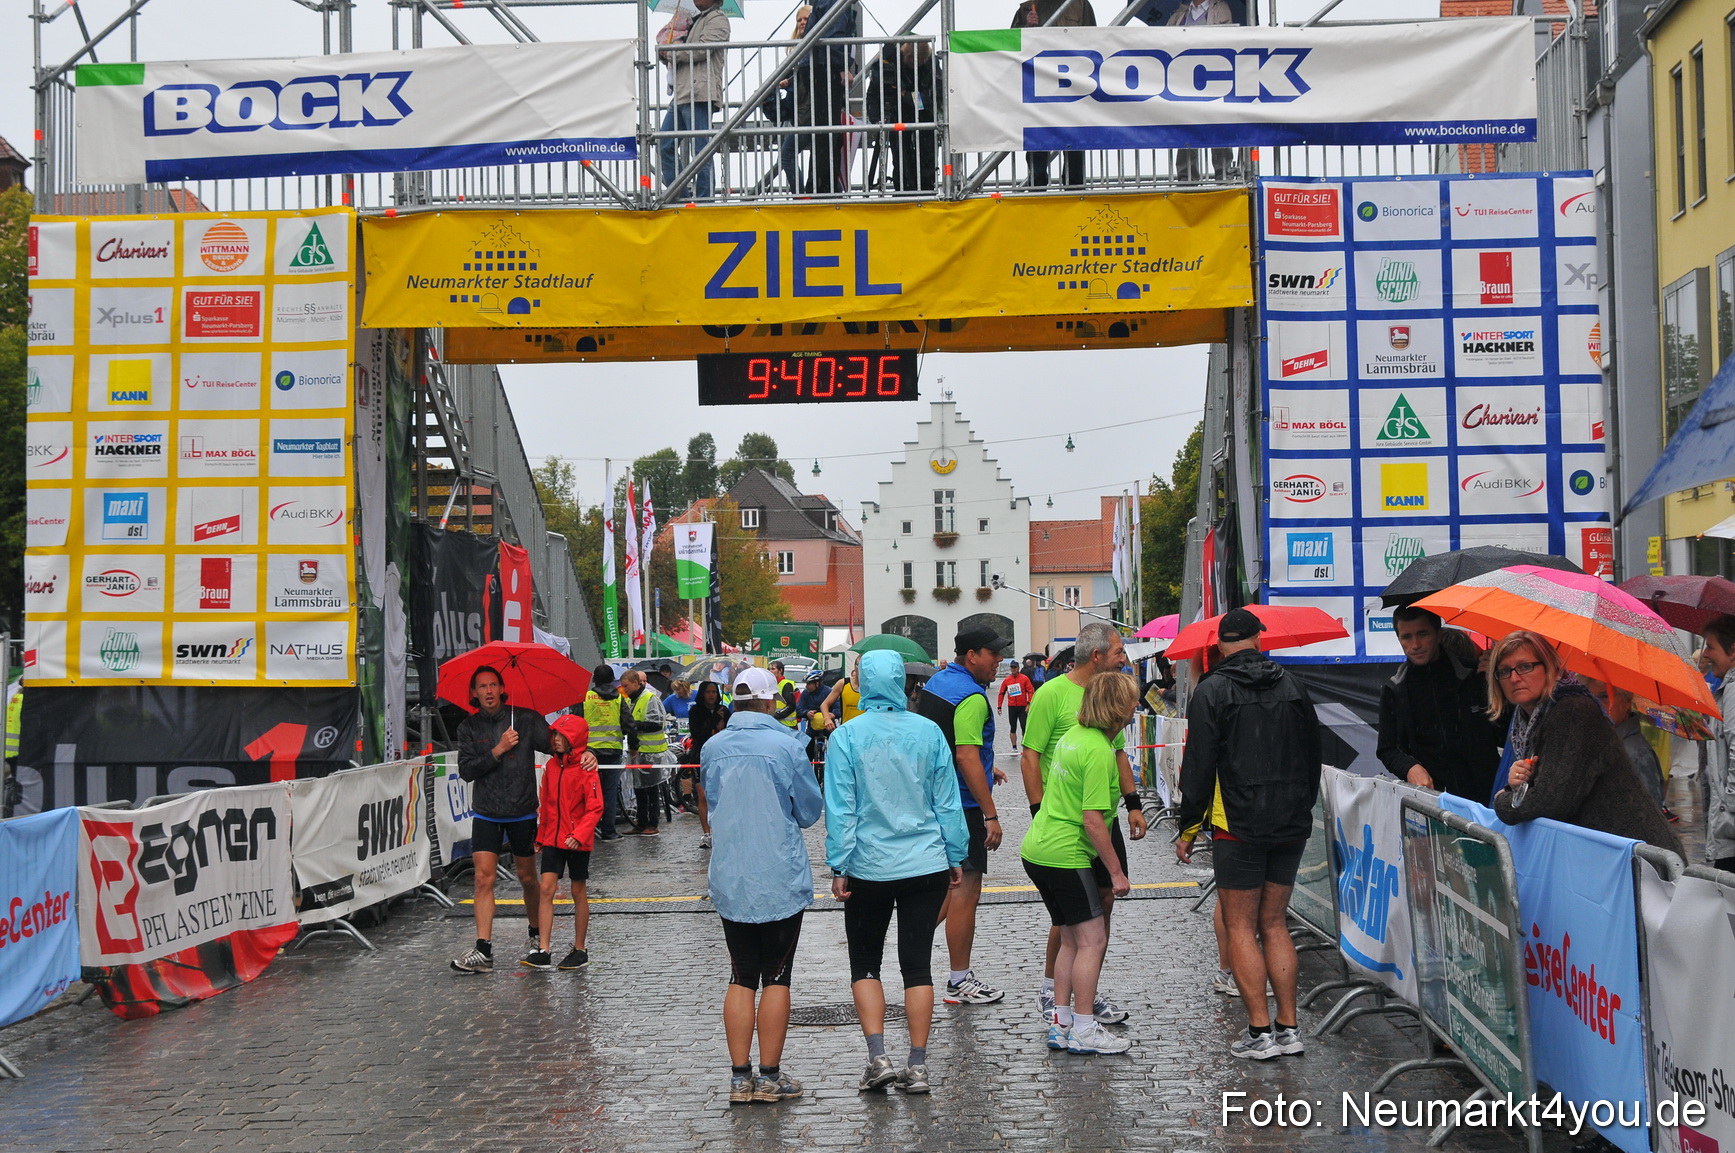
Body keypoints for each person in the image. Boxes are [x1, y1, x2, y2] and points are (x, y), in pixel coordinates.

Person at [1174, 608, 1322, 1059]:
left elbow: (1198, 765)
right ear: (1259, 639)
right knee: (1274, 922)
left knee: (1240, 924)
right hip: (1290, 821)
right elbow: (1315, 755)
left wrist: (1188, 827)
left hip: (1237, 822)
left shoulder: (1211, 690)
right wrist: (1301, 806)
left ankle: (1260, 1031)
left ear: (1220, 645)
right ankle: (1289, 1028)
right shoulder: (1294, 685)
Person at [825, 650, 968, 1094]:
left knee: (865, 963)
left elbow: (841, 809)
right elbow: (947, 802)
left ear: (864, 683)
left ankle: (878, 1057)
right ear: (902, 684)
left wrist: (839, 865)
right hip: (925, 863)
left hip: (867, 866)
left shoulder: (845, 737)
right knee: (918, 966)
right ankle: (918, 1064)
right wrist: (956, 854)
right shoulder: (928, 732)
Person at [701, 666, 824, 1104]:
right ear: (771, 702)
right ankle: (769, 1076)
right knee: (776, 976)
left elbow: (712, 802)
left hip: (731, 874)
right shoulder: (787, 746)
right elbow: (808, 811)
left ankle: (740, 1079)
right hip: (778, 876)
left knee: (740, 975)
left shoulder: (713, 747)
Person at [1020, 621, 1147, 1025]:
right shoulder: (1053, 694)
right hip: (1070, 825)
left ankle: (1082, 997)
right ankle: (1054, 994)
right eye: (1119, 651)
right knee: (1072, 921)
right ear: (1097, 656)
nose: (1123, 658)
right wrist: (1040, 811)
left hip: (1098, 816)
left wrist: (1133, 803)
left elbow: (1118, 754)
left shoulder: (1107, 700)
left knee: (1099, 907)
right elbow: (1030, 755)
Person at [1490, 631, 1684, 854]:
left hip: (1638, 856)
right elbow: (1549, 785)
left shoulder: (1572, 710)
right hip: (1606, 853)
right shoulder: (1530, 721)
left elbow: (1551, 801)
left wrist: (1503, 801)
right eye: (1504, 671)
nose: (1514, 678)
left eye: (1525, 667)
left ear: (1549, 668)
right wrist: (1518, 783)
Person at [915, 627, 1012, 1006]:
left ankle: (913, 949)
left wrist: (987, 769)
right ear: (972, 655)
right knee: (965, 892)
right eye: (993, 653)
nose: (998, 660)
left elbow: (945, 741)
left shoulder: (939, 682)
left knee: (947, 887)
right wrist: (991, 814)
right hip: (964, 806)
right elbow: (966, 754)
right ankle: (959, 979)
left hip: (937, 799)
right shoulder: (971, 696)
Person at [451, 667, 555, 973]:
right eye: (482, 686)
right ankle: (483, 949)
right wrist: (498, 749)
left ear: (502, 688)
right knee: (483, 878)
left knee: (527, 878)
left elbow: (556, 744)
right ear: (474, 693)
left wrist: (583, 751)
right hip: (487, 811)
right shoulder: (468, 727)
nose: (488, 691)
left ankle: (536, 936)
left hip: (522, 810)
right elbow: (467, 771)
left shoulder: (525, 718)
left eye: (493, 685)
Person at [1376, 607, 1501, 802]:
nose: (1415, 644)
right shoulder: (1394, 689)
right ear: (1399, 639)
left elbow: (1506, 733)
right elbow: (1387, 749)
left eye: (1422, 634)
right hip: (1431, 802)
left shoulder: (1475, 675)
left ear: (1439, 634)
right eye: (1407, 637)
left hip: (1489, 799)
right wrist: (1410, 767)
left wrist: (1501, 683)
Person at [527, 714, 601, 972]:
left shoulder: (585, 768)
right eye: (555, 735)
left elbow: (595, 808)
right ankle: (544, 949)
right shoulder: (551, 766)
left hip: (576, 840)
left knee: (578, 891)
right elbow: (547, 804)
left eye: (562, 735)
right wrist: (541, 835)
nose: (556, 739)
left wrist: (579, 835)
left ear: (574, 739)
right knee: (546, 889)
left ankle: (579, 949)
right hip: (554, 838)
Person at [1012, 0, 1095, 188]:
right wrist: (1026, 27)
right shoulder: (1027, 8)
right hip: (1038, 84)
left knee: (1074, 136)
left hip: (1073, 84)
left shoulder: (1080, 4)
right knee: (1038, 135)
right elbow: (1011, 45)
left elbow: (1095, 40)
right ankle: (1037, 184)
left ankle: (1075, 186)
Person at [659, 0, 730, 202]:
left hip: (700, 92)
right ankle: (681, 198)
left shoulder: (718, 19)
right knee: (665, 144)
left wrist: (671, 52)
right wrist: (667, 51)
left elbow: (700, 50)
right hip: (683, 92)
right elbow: (687, 52)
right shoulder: (694, 20)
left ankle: (704, 200)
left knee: (701, 150)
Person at [1167, 0, 1235, 182]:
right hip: (1184, 81)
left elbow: (1227, 40)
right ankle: (1187, 177)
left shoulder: (1220, 9)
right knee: (1186, 126)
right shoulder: (1179, 14)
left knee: (1217, 123)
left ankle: (1223, 173)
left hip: (1214, 78)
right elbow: (1164, 43)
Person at [794, 0, 858, 194]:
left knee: (824, 130)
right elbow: (833, 36)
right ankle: (824, 186)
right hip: (825, 68)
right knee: (828, 131)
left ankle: (820, 184)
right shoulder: (835, 2)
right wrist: (841, 67)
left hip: (820, 67)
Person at [865, 42, 941, 193]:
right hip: (896, 113)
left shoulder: (931, 65)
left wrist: (907, 96)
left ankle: (926, 188)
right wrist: (876, 117)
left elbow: (935, 96)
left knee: (926, 153)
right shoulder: (888, 58)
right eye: (911, 59)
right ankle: (904, 188)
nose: (914, 63)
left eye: (918, 61)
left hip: (924, 114)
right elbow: (873, 92)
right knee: (901, 154)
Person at [622, 670, 672, 836]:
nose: (624, 689)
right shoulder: (631, 700)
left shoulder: (650, 698)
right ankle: (641, 823)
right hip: (638, 752)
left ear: (636, 683)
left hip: (651, 752)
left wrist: (634, 724)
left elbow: (656, 723)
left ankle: (652, 823)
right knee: (639, 789)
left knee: (651, 790)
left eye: (626, 686)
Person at [584, 665, 628, 843]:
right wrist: (632, 743)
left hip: (589, 752)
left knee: (589, 791)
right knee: (609, 792)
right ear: (611, 680)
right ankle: (608, 831)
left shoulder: (586, 697)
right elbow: (628, 723)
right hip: (612, 751)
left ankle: (587, 830)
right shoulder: (618, 698)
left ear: (594, 679)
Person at [1705, 616, 1735, 870]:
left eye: (1710, 647)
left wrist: (1730, 807)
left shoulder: (1734, 690)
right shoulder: (1726, 689)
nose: (1705, 654)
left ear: (1733, 650)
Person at [687, 680, 731, 849]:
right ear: (702, 694)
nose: (711, 695)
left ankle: (721, 830)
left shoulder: (724, 711)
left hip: (721, 755)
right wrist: (714, 721)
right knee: (703, 795)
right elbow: (697, 733)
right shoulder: (695, 711)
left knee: (721, 795)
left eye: (714, 692)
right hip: (700, 755)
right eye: (708, 692)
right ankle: (707, 833)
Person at [997, 661, 1036, 748]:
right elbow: (1001, 693)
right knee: (1013, 727)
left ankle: (1025, 745)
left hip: (1022, 707)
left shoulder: (1024, 678)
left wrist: (1029, 703)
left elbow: (1030, 691)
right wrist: (999, 706)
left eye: (1015, 667)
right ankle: (1014, 747)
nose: (1013, 669)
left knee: (1024, 727)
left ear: (1018, 668)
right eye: (1012, 667)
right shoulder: (1007, 680)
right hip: (1012, 707)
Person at [821, 656, 865, 723]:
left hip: (866, 728)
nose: (860, 668)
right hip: (847, 727)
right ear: (854, 666)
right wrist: (827, 719)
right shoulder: (843, 683)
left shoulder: (872, 686)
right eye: (858, 665)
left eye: (863, 665)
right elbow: (824, 705)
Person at [769, 661, 801, 731]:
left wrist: (776, 715)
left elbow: (791, 706)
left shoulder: (786, 685)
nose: (770, 671)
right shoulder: (774, 684)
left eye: (773, 669)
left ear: (780, 671)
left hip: (788, 726)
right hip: (777, 724)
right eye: (770, 669)